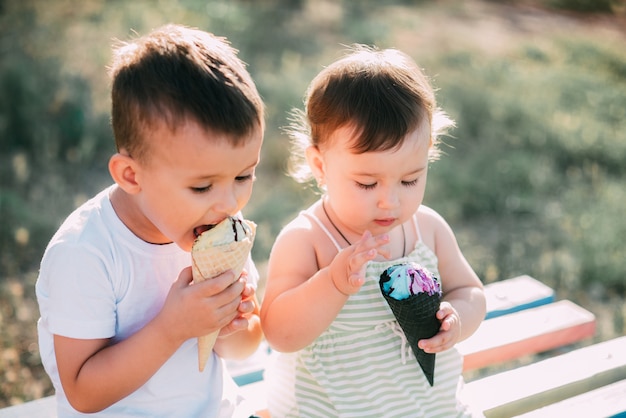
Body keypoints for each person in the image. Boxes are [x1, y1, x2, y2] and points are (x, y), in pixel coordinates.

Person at [36, 24, 265, 417]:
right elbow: (83, 392)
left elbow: (245, 348)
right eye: (202, 187)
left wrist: (233, 326)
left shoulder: (218, 226)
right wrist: (172, 328)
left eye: (243, 176)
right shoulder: (85, 254)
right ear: (131, 176)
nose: (228, 203)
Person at [260, 45, 487, 417]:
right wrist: (331, 284)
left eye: (410, 180)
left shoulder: (426, 229)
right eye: (367, 184)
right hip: (331, 409)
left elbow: (471, 291)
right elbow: (280, 335)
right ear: (320, 164)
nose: (390, 202)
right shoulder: (308, 241)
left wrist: (458, 317)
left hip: (432, 408)